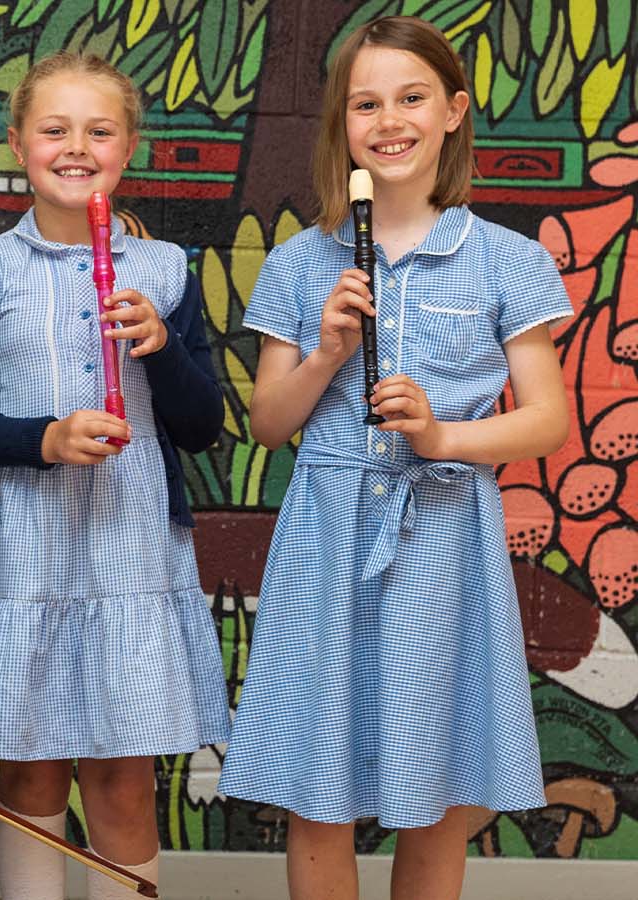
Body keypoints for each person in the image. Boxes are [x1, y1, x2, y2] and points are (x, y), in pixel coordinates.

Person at [219, 16, 571, 900]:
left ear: (453, 111)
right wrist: (327, 353)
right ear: (341, 124)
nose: (389, 121)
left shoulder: (508, 261)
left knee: (439, 794)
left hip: (446, 538)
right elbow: (268, 423)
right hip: (326, 537)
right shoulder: (299, 264)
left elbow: (547, 421)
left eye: (412, 98)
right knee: (318, 791)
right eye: (365, 104)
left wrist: (442, 437)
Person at [0, 51, 228, 900]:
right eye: (55, 130)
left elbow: (203, 426)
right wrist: (45, 438)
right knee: (30, 771)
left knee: (122, 779)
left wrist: (162, 348)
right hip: (19, 551)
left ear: (128, 149)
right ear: (20, 145)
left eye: (99, 131)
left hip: (129, 552)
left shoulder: (166, 272)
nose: (76, 147)